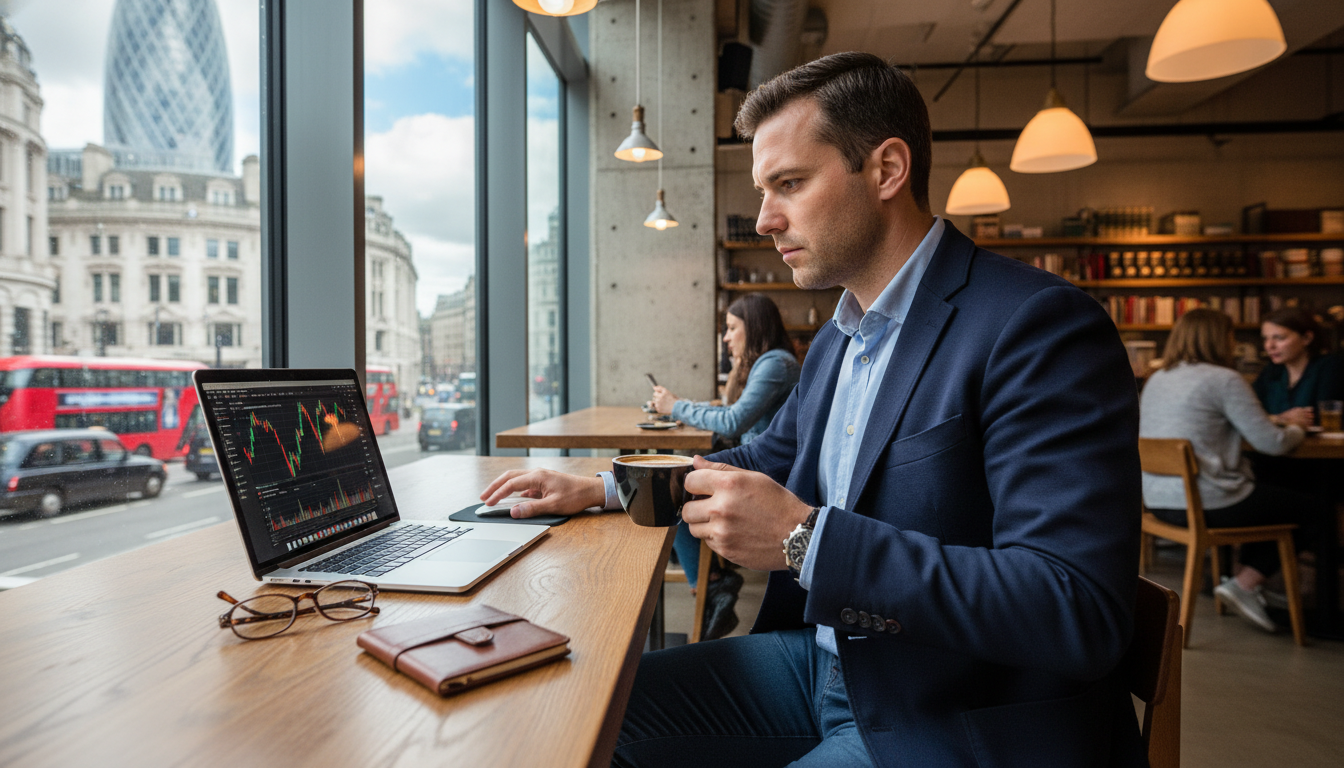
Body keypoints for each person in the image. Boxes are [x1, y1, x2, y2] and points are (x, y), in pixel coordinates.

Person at [481, 52, 1143, 766]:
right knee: (578, 711)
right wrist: (607, 486)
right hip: (827, 665)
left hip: (952, 709)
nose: (766, 219)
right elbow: (767, 459)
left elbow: (1077, 608)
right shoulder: (839, 337)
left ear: (887, 170)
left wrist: (806, 541)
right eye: (766, 190)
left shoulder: (1036, 324)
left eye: (789, 184)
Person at [1139, 308, 1324, 631]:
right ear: (1220, 339)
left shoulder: (1158, 378)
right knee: (1313, 510)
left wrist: (1277, 420)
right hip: (1208, 501)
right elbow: (1273, 443)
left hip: (1159, 502)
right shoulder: (1224, 379)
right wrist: (1296, 428)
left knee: (1270, 499)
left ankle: (1249, 584)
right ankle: (1245, 583)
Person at [649, 292, 801, 639]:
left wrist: (675, 406)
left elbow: (732, 421)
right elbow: (730, 409)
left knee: (675, 491)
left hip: (770, 472)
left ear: (756, 326)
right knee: (677, 481)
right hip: (758, 462)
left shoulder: (775, 364)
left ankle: (714, 584)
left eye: (732, 328)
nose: (726, 337)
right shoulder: (765, 363)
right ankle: (714, 581)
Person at [1252, 306, 1343, 427]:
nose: (1269, 346)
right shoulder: (1271, 371)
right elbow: (1248, 415)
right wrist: (1282, 419)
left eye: (1279, 338)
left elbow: (1319, 419)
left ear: (1307, 338)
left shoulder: (1330, 367)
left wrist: (1272, 419)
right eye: (1265, 339)